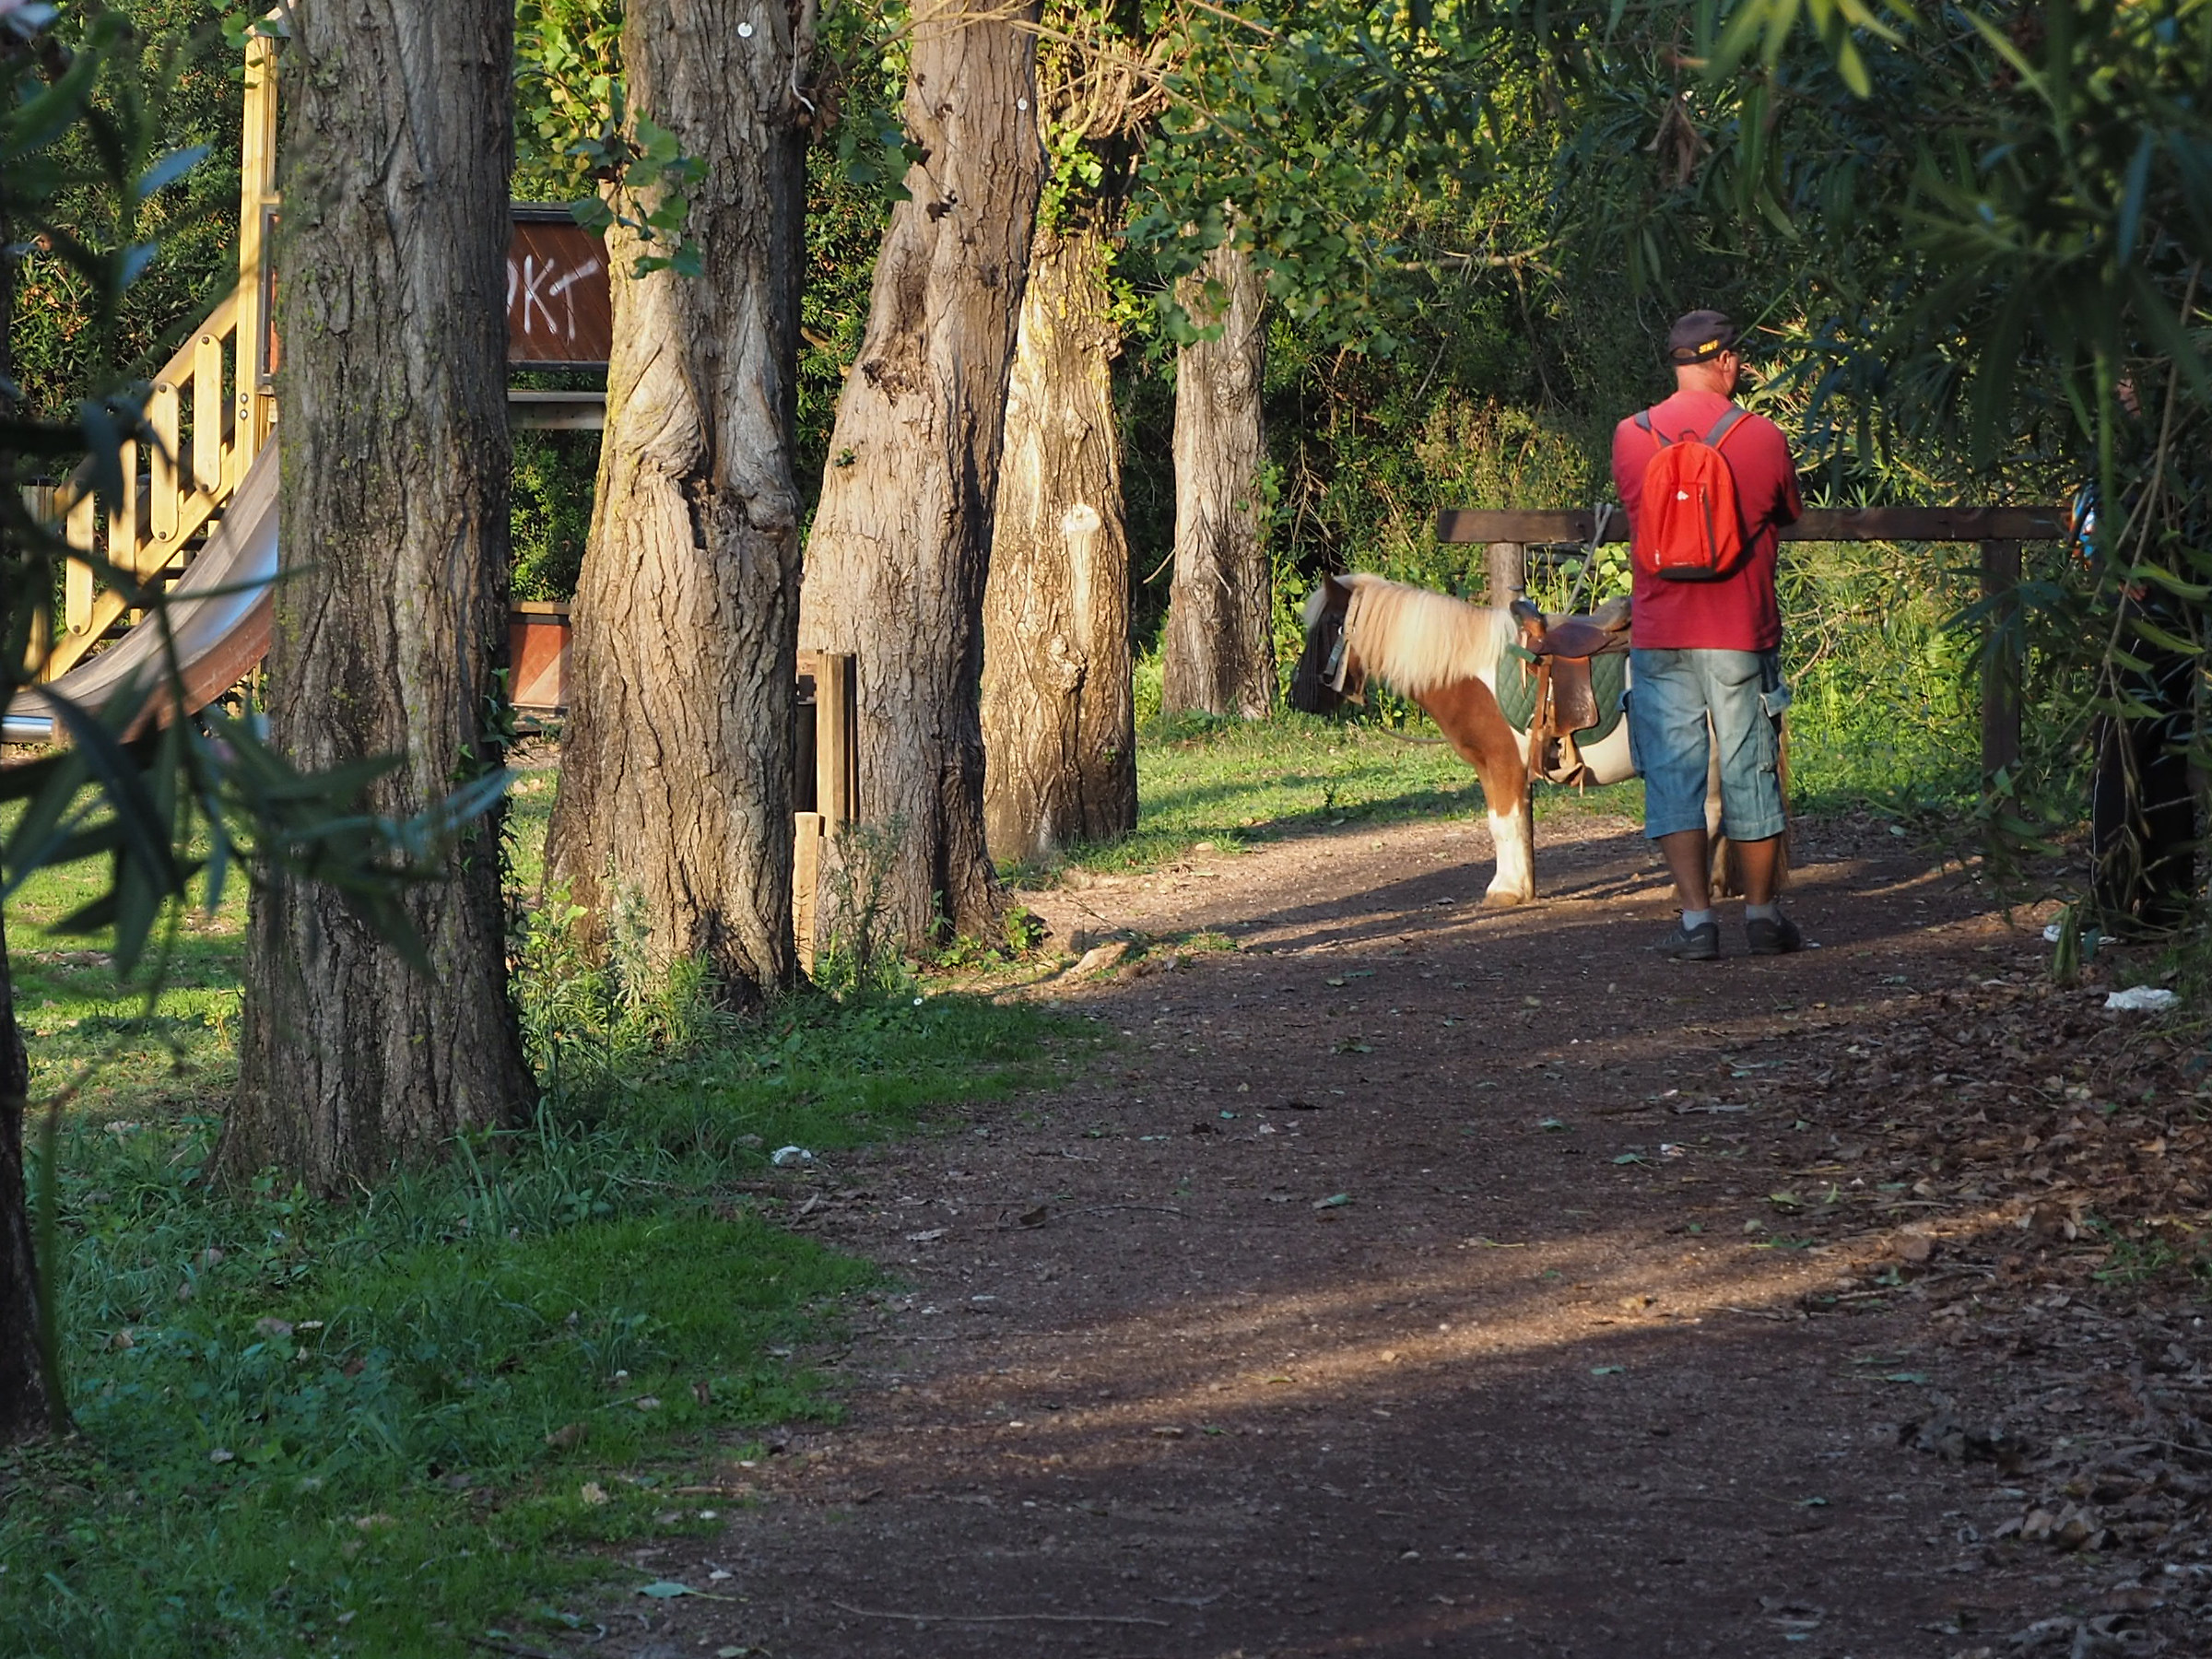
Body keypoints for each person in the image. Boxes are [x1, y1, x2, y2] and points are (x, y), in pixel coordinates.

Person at [1613, 310, 1805, 960]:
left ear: (1676, 361)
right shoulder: (1762, 438)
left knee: (1673, 773)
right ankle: (1761, 915)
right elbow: (1785, 510)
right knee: (1750, 767)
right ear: (1726, 362)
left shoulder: (1631, 437)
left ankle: (1697, 922)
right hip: (1738, 631)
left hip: (1662, 630)